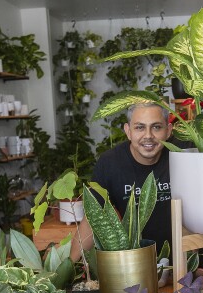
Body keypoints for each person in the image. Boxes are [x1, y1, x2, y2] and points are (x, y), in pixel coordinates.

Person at [72, 102, 173, 261]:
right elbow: (94, 219)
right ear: (128, 131)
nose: (148, 135)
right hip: (130, 264)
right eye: (139, 127)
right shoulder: (110, 163)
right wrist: (70, 269)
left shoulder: (182, 157)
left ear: (168, 131)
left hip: (181, 263)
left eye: (156, 127)